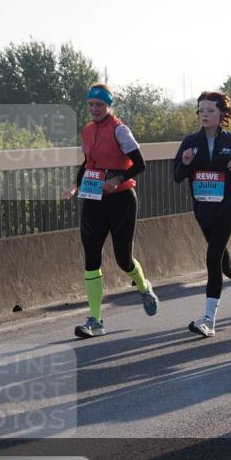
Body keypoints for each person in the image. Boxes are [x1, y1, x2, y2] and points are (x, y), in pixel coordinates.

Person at [66, 83, 158, 338]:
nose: (95, 109)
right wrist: (74, 186)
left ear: (109, 105)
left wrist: (117, 180)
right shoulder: (87, 131)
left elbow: (140, 164)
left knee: (123, 259)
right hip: (93, 200)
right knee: (91, 258)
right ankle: (95, 319)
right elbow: (87, 163)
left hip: (121, 201)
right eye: (91, 104)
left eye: (100, 104)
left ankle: (143, 287)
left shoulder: (120, 130)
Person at [173, 91, 231, 337]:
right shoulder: (190, 142)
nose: (204, 115)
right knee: (223, 262)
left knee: (212, 258)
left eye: (210, 110)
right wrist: (185, 163)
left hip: (226, 210)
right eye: (201, 110)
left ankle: (209, 320)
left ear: (221, 114)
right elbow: (177, 176)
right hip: (203, 211)